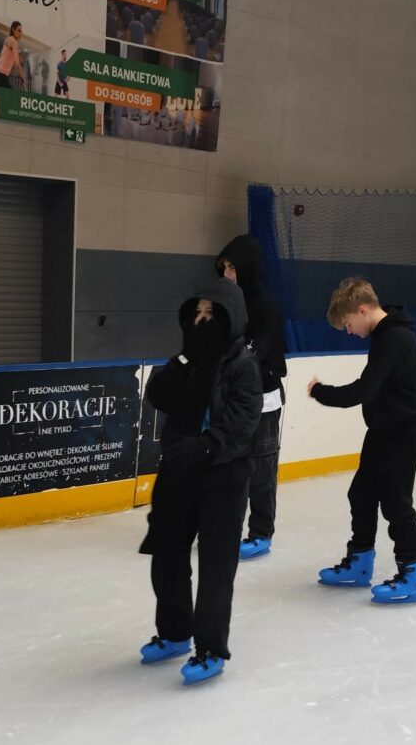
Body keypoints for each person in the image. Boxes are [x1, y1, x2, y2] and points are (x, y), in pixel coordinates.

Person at [138, 278, 262, 686]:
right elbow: (157, 394)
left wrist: (206, 448)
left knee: (215, 565)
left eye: (211, 315)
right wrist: (183, 359)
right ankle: (175, 632)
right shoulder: (188, 360)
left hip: (223, 478)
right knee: (167, 554)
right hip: (179, 475)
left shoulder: (244, 366)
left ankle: (210, 647)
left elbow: (242, 425)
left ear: (230, 318)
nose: (202, 321)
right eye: (197, 314)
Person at [308, 278, 416, 604]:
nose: (349, 331)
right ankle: (360, 563)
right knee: (361, 493)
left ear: (362, 310)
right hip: (384, 430)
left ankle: (412, 573)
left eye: (348, 324)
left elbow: (364, 391)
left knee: (395, 502)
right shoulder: (385, 336)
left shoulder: (395, 338)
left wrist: (320, 392)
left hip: (403, 431)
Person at [215, 235, 287, 560]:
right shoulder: (227, 303)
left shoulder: (266, 305)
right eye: (225, 267)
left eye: (232, 267)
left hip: (264, 399)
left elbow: (253, 350)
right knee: (230, 467)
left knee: (260, 469)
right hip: (233, 398)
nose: (227, 273)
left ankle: (260, 533)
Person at [0, 21, 26, 90]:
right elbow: (17, 64)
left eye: (21, 31)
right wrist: (23, 78)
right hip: (1, 74)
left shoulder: (8, 39)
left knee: (6, 98)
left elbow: (7, 55)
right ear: (13, 30)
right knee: (10, 97)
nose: (20, 33)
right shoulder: (13, 41)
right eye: (19, 31)